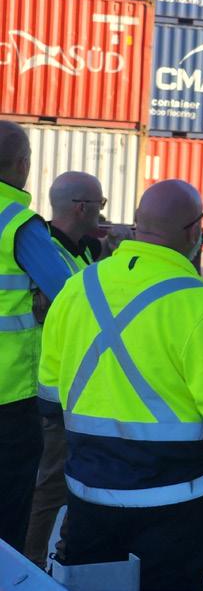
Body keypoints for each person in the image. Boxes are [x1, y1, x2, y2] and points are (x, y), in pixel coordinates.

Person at [37, 180, 203, 591]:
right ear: (194, 232)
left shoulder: (78, 287)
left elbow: (50, 397)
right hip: (176, 506)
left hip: (89, 499)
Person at [0, 121, 75, 553]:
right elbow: (68, 296)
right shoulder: (17, 223)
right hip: (9, 399)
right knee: (10, 516)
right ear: (23, 164)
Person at [25, 172, 106, 567]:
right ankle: (31, 565)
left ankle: (66, 556)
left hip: (80, 386)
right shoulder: (45, 253)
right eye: (100, 205)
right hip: (54, 389)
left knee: (82, 480)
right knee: (50, 486)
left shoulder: (81, 250)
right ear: (81, 207)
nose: (103, 213)